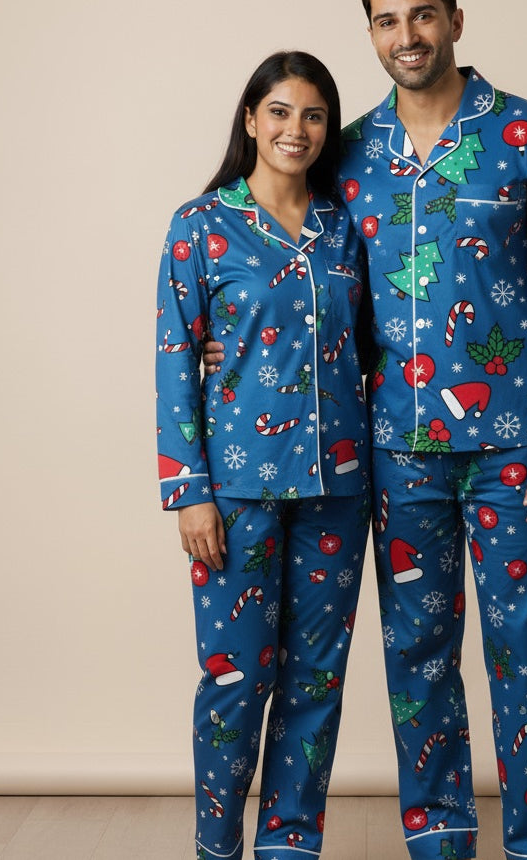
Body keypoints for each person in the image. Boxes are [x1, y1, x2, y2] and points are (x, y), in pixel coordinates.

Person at [204, 4, 527, 856]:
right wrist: (223, 329)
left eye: (423, 13)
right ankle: (441, 842)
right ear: (373, 32)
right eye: (387, 19)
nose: (407, 34)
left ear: (456, 18)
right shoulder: (345, 151)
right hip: (392, 454)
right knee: (418, 660)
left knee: (523, 651)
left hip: (517, 450)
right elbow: (289, 266)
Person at [156, 51, 371, 860]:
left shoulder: (344, 227)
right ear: (251, 120)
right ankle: (218, 847)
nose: (296, 129)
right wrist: (188, 492)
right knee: (234, 685)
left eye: (314, 115)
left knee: (316, 685)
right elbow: (175, 360)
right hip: (235, 493)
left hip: (339, 490)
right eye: (279, 111)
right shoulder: (200, 225)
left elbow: (377, 353)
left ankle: (290, 848)